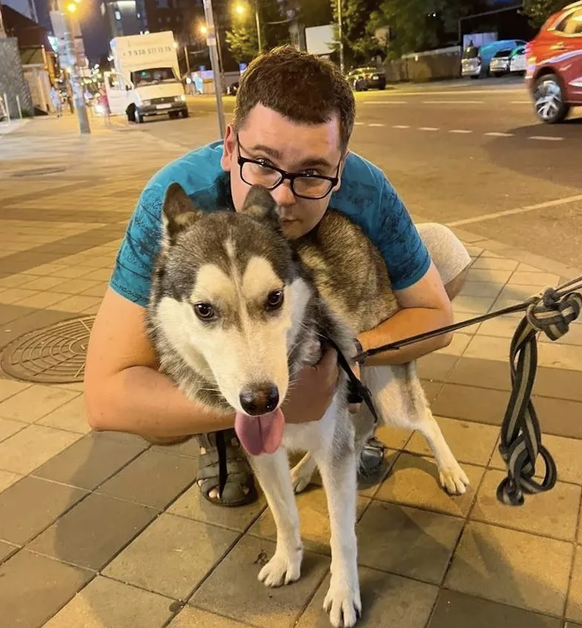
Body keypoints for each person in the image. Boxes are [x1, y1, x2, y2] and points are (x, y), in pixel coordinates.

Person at [85, 47, 471, 507]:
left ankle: (349, 409)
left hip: (321, 309)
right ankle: (221, 434)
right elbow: (105, 397)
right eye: (263, 164)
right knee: (164, 372)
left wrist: (345, 361)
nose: (283, 196)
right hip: (225, 344)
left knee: (445, 251)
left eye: (311, 173)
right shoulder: (176, 198)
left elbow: (436, 315)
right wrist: (251, 403)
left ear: (340, 168)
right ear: (230, 148)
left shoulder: (369, 190)